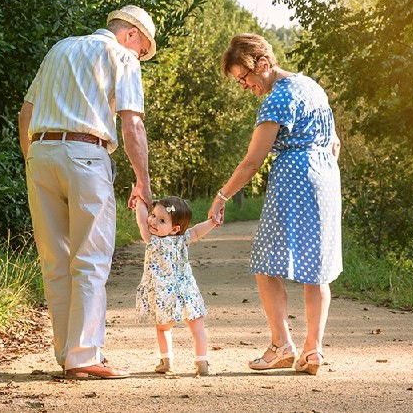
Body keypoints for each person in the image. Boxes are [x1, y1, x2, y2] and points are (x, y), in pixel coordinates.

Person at [18, 5, 157, 379]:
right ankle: (84, 357)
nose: (140, 56)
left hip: (42, 153)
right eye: (143, 49)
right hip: (86, 154)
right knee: (90, 258)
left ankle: (67, 353)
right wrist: (142, 182)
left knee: (55, 260)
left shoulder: (60, 48)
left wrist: (32, 161)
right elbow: (132, 125)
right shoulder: (121, 56)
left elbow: (26, 111)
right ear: (130, 35)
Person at [208, 33, 342, 376]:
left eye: (245, 78)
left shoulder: (276, 100)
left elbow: (252, 162)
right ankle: (313, 351)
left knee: (265, 263)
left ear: (264, 64)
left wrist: (221, 197)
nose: (244, 86)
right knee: (318, 268)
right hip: (326, 178)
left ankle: (281, 345)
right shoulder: (311, 86)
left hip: (293, 180)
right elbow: (335, 143)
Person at [134, 196, 217, 376]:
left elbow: (141, 222)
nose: (153, 222)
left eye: (162, 220)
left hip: (165, 295)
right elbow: (196, 231)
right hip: (187, 291)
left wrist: (140, 202)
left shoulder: (153, 240)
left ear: (175, 229)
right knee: (198, 328)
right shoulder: (182, 238)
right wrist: (212, 222)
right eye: (153, 215)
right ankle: (202, 362)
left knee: (163, 328)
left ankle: (166, 361)